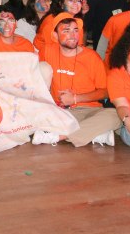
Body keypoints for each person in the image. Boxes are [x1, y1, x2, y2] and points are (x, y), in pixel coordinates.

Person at [32, 14, 121, 147]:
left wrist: (75, 99)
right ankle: (96, 133)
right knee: (36, 117)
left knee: (116, 115)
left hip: (90, 110)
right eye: (66, 31)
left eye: (75, 30)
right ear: (55, 36)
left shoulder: (92, 57)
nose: (73, 35)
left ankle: (59, 136)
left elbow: (105, 92)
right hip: (61, 112)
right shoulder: (47, 51)